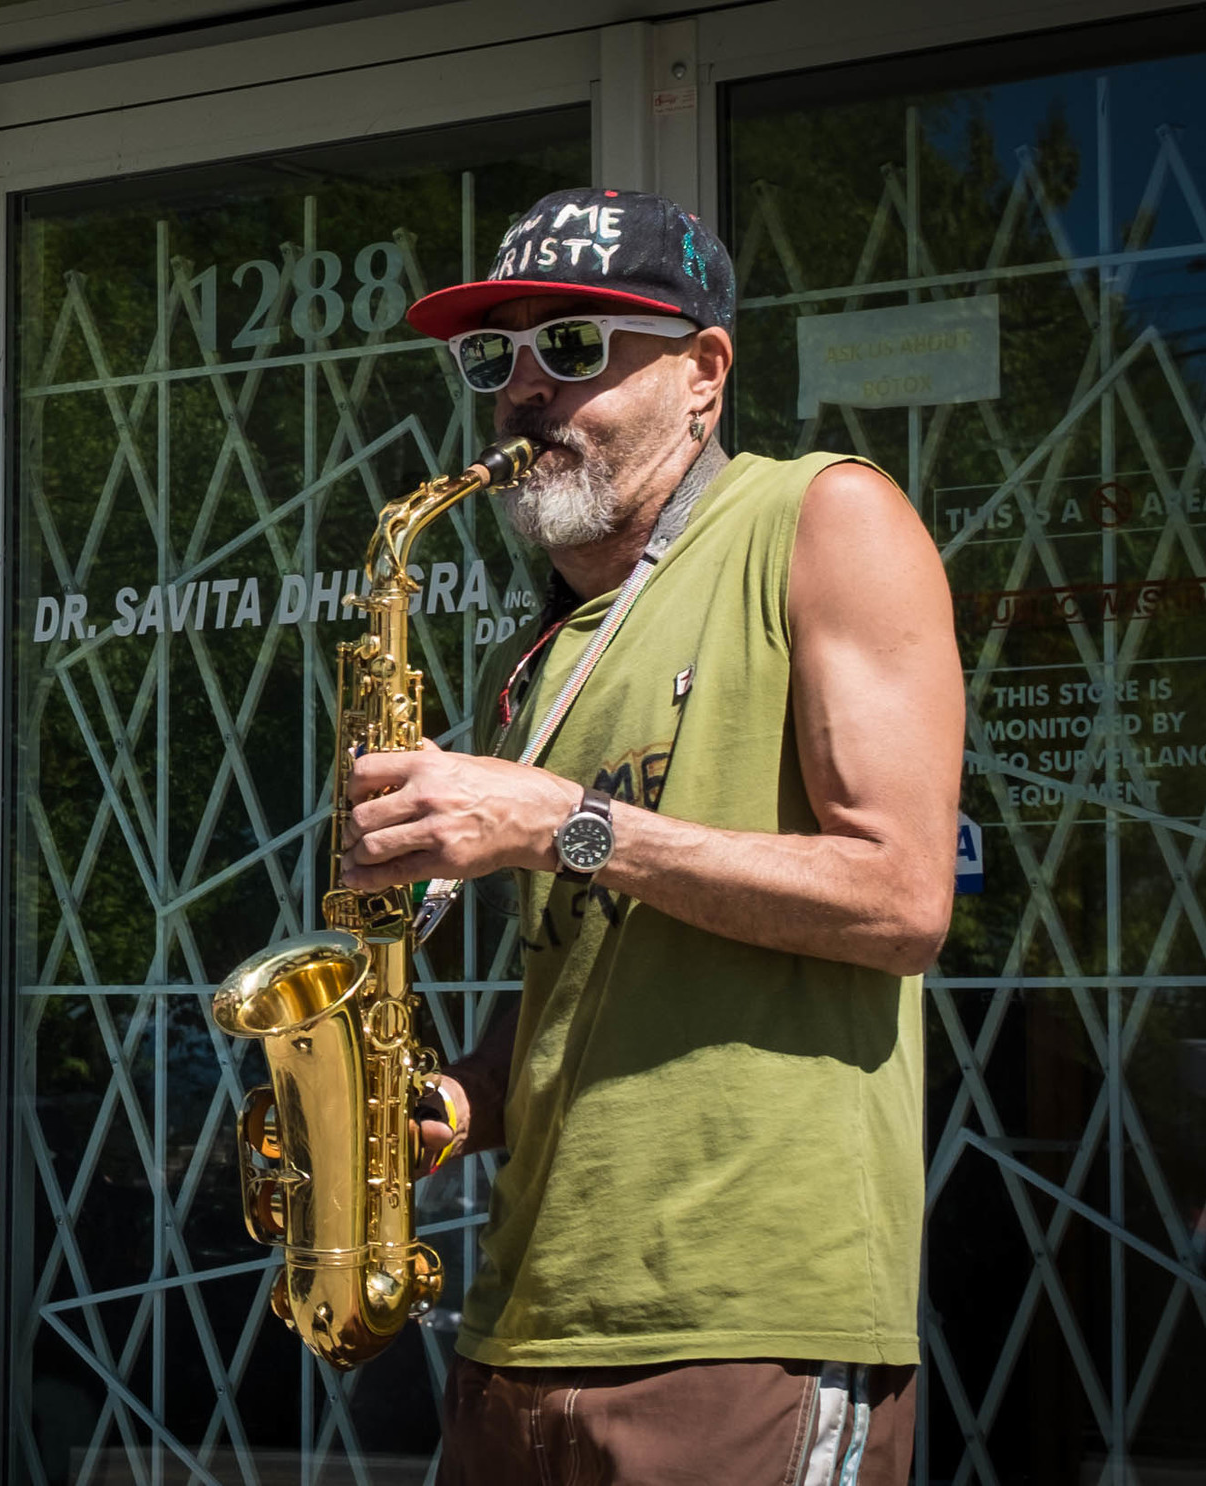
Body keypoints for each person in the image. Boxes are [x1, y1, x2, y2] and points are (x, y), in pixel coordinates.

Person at [349, 189, 962, 1485]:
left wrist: (559, 820)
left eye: (574, 346)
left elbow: (900, 896)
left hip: (746, 1330)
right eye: (492, 358)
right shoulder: (550, 648)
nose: (525, 391)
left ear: (704, 370)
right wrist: (450, 1104)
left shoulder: (822, 518)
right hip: (519, 1324)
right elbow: (593, 971)